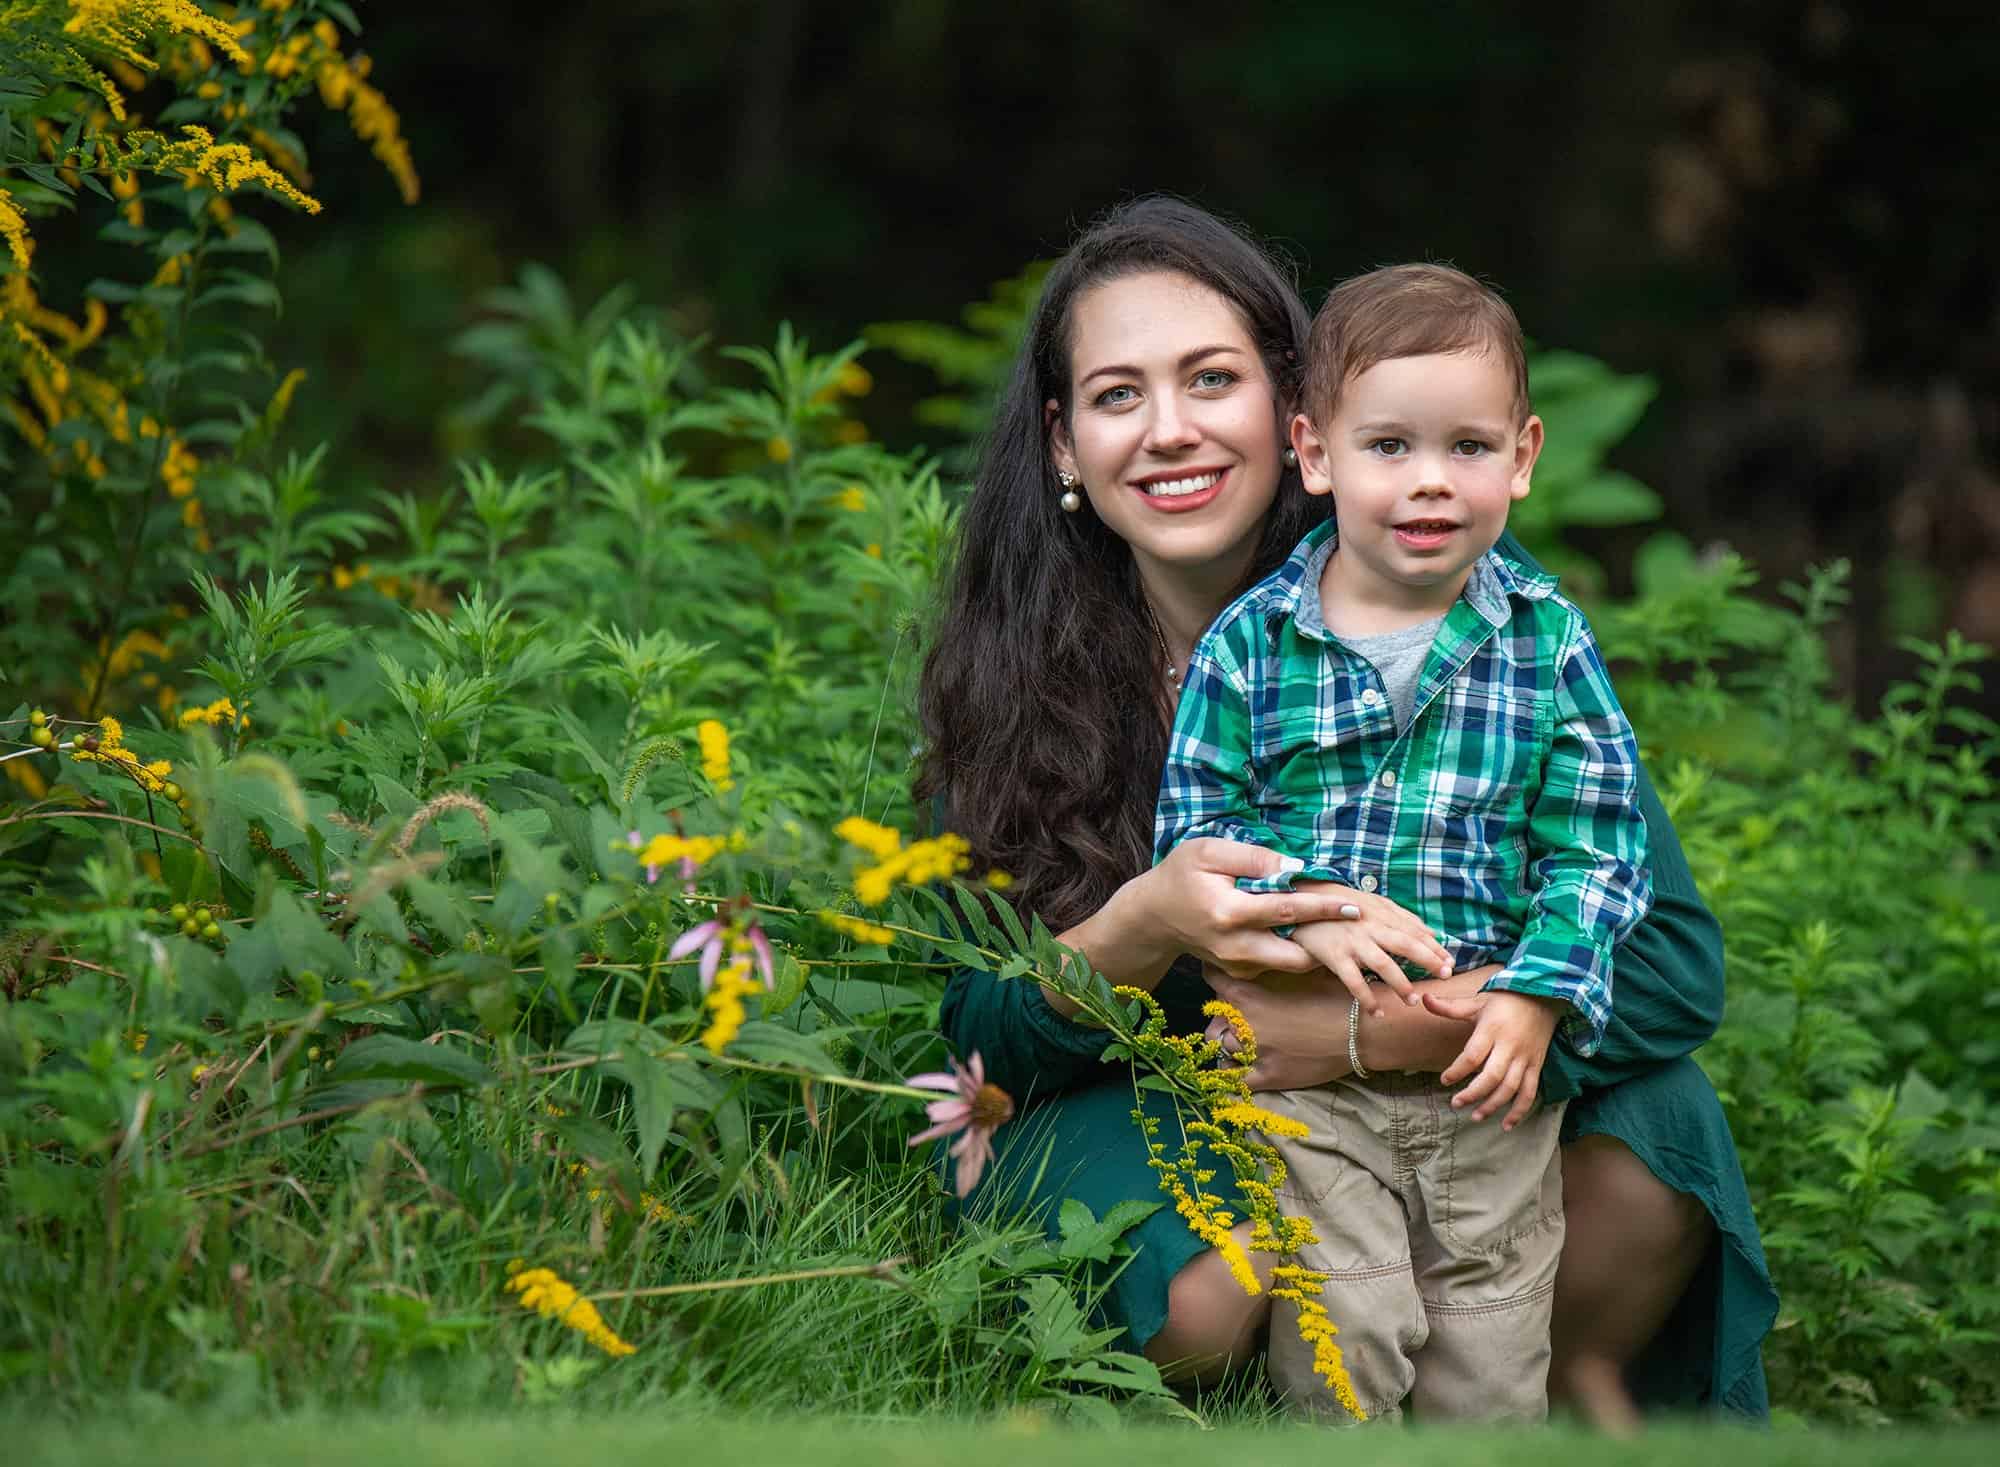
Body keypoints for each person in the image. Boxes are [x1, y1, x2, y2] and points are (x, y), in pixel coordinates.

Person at [916, 196, 1776, 1425]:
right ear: (1062, 446)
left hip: (1449, 1077)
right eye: (1117, 397)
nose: (1168, 431)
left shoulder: (1486, 623)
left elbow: (1672, 966)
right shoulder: (1019, 686)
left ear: (1295, 411)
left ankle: (1571, 1390)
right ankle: (1303, 1375)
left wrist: (1380, 1039)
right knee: (1214, 1292)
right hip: (1176, 1101)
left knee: (1661, 1122)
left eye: (1210, 379)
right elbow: (976, 1042)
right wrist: (1149, 918)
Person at [1152, 263, 1652, 1422]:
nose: (1429, 482)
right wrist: (1317, 906)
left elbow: (1597, 847)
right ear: (1315, 454)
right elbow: (1197, 834)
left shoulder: (1545, 644)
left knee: (1487, 1354)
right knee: (1347, 1329)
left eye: (1467, 448)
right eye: (1387, 448)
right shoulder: (1251, 647)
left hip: (1490, 1094)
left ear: (1523, 458)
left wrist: (1531, 997)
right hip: (1306, 1099)